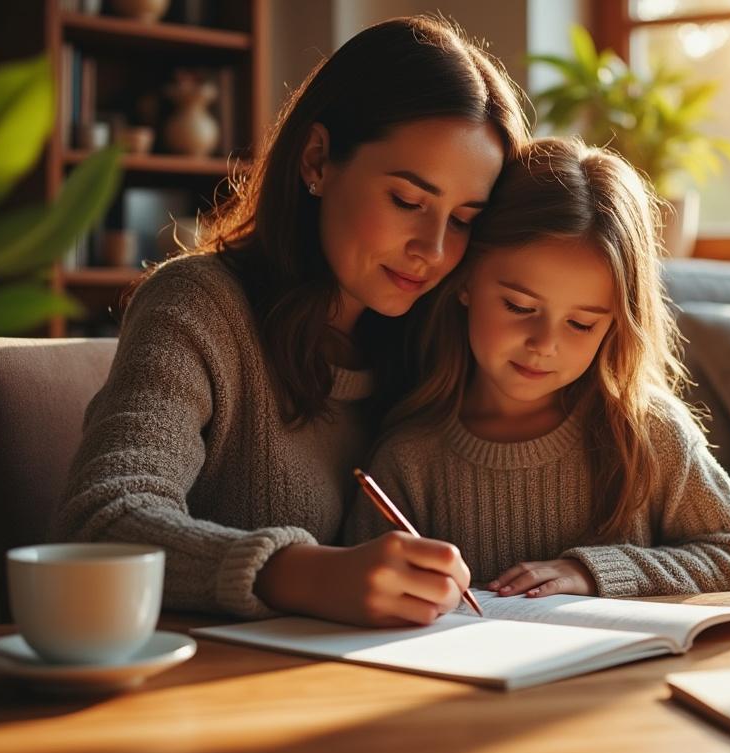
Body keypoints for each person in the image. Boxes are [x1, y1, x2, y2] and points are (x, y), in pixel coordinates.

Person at [52, 16, 530, 627]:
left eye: (463, 218)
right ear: (317, 160)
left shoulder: (444, 339)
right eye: (408, 202)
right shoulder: (198, 307)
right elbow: (99, 524)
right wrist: (299, 572)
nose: (433, 249)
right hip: (208, 697)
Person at [345, 137, 730, 599]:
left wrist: (593, 573)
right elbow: (362, 595)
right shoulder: (410, 457)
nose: (544, 344)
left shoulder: (647, 433)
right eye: (518, 306)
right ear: (465, 281)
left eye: (581, 324)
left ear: (615, 325)